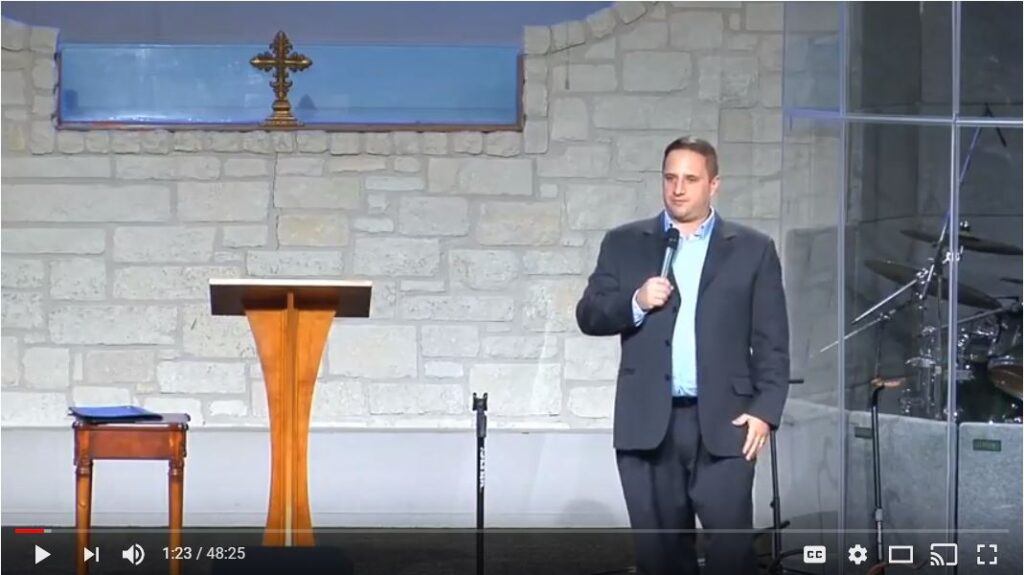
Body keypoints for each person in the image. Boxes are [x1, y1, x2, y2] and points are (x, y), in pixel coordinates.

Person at [575, 136, 790, 575]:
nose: (678, 189)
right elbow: (590, 314)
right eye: (670, 178)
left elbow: (772, 340)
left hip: (726, 424)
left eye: (690, 179)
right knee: (661, 560)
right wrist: (635, 300)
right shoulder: (624, 242)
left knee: (732, 557)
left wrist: (764, 412)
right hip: (648, 425)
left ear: (714, 185)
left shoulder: (752, 248)